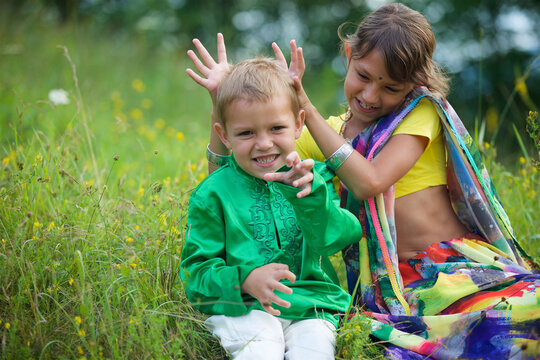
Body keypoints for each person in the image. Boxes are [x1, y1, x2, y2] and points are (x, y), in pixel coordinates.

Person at [187, 3, 539, 359]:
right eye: (364, 76)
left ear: (414, 84)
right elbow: (231, 176)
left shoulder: (420, 113)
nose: (371, 95)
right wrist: (223, 101)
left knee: (519, 324)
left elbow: (369, 180)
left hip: (453, 266)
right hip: (392, 286)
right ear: (348, 54)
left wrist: (302, 100)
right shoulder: (327, 132)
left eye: (390, 86)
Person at [180, 57, 363, 360]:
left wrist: (311, 196)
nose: (264, 144)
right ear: (224, 135)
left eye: (276, 127)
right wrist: (246, 280)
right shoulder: (213, 193)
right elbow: (197, 276)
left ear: (298, 124)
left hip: (310, 304)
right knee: (261, 349)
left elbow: (338, 237)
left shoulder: (313, 178)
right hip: (243, 304)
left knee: (315, 353)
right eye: (246, 133)